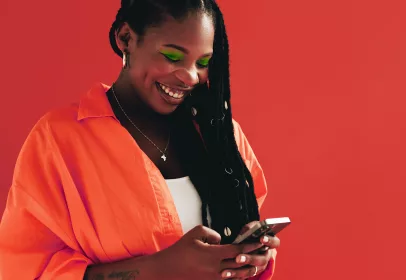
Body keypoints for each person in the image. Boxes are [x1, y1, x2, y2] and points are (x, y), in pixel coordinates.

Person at [0, 0, 280, 279]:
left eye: (203, 62)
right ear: (126, 39)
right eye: (172, 56)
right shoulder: (59, 140)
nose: (190, 76)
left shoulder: (220, 136)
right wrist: (161, 269)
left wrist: (250, 258)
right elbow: (23, 271)